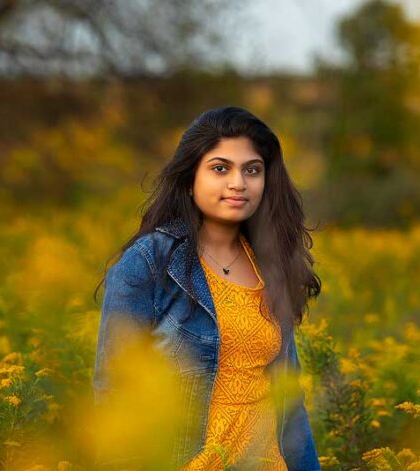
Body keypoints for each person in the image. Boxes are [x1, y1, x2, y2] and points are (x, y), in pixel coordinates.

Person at [93, 106, 322, 470]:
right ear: (189, 179)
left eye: (252, 170)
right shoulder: (150, 262)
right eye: (220, 168)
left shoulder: (271, 264)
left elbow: (289, 404)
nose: (238, 183)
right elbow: (115, 395)